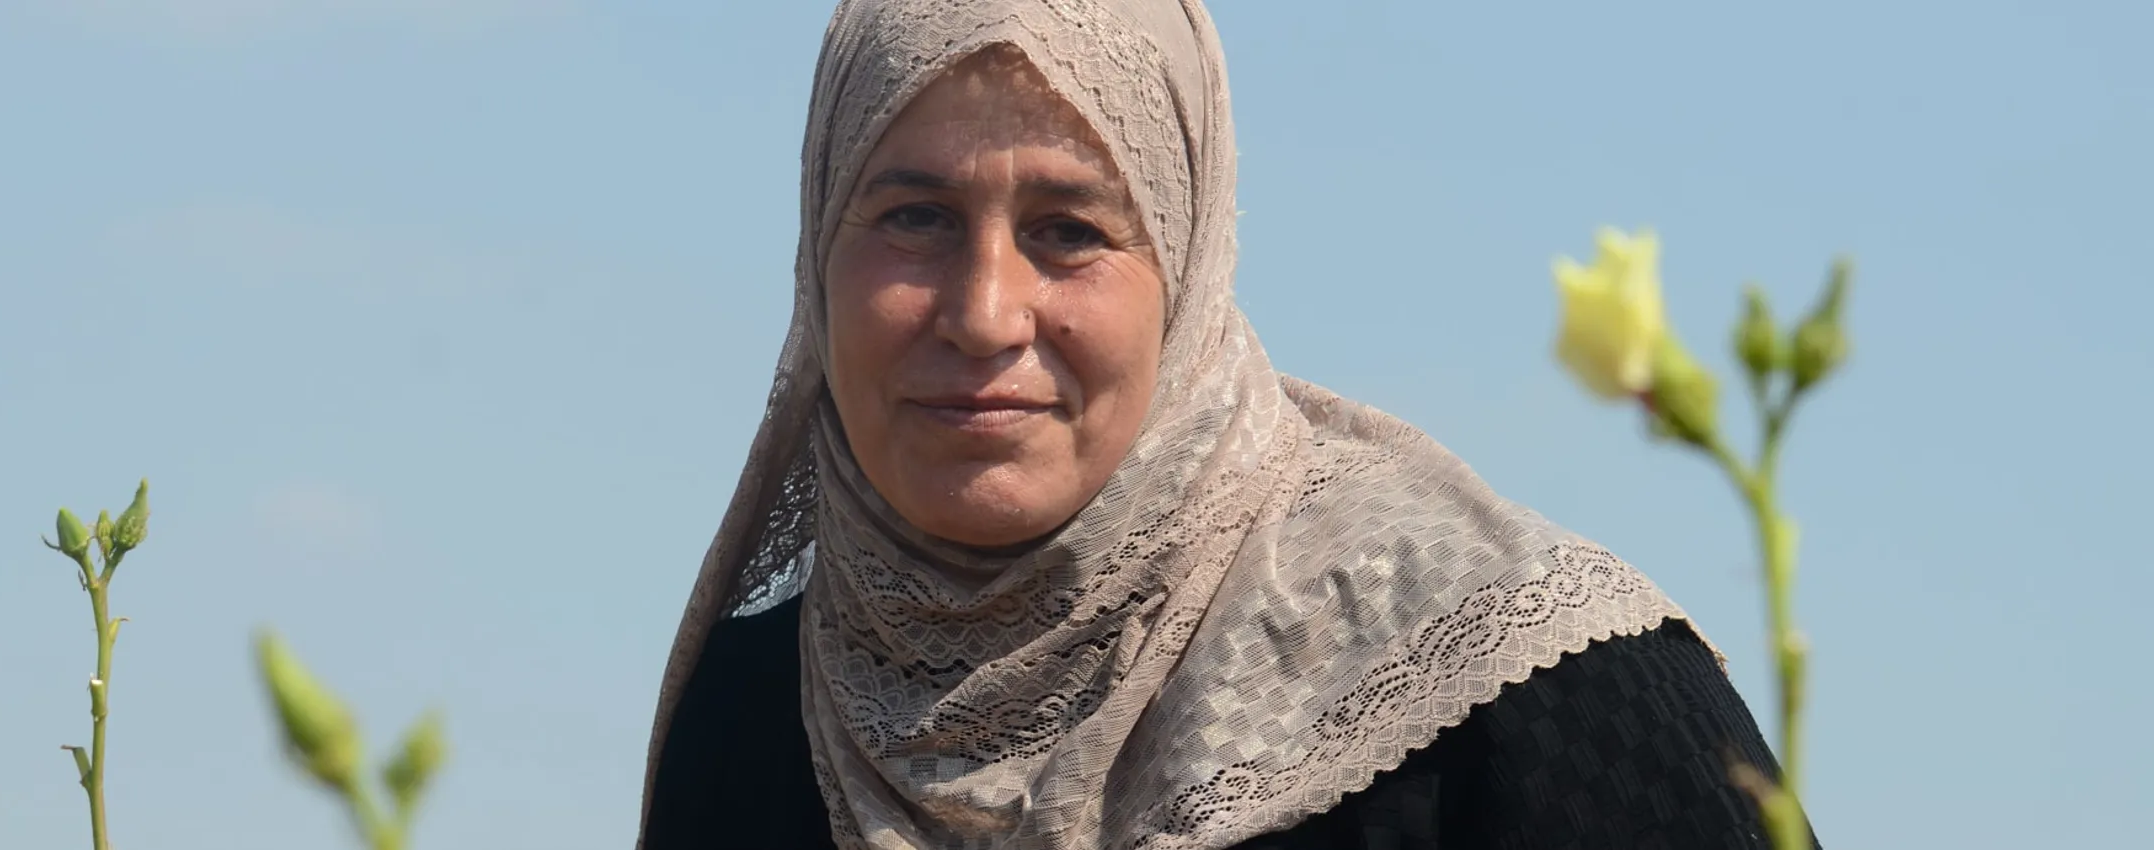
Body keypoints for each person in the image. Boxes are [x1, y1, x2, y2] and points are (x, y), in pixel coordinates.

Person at [638, 1, 1814, 848]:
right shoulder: (757, 719)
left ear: (1187, 278)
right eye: (913, 218)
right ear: (816, 261)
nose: (986, 312)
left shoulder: (1519, 687)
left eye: (1068, 229)